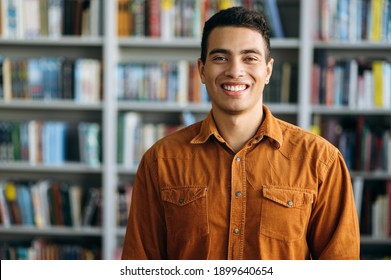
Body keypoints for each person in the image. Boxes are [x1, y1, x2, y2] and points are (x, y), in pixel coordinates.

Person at [121, 6, 360, 260]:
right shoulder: (160, 161)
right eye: (221, 58)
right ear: (201, 70)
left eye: (250, 58)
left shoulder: (321, 161)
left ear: (268, 71)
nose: (235, 71)